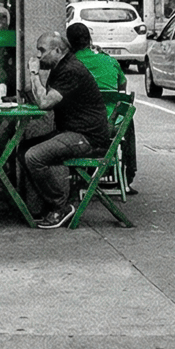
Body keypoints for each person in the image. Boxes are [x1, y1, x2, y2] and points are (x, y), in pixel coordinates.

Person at [21, 30, 111, 229]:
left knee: (33, 156)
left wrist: (34, 73)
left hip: (86, 137)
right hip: (71, 132)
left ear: (58, 50)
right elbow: (41, 96)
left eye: (42, 50)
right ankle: (38, 207)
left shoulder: (70, 70)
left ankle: (60, 206)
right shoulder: (60, 66)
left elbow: (44, 103)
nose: (38, 55)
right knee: (23, 148)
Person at [66, 22, 126, 95]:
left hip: (83, 105)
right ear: (89, 39)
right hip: (111, 105)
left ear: (69, 43)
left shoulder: (68, 64)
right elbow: (122, 84)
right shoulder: (110, 60)